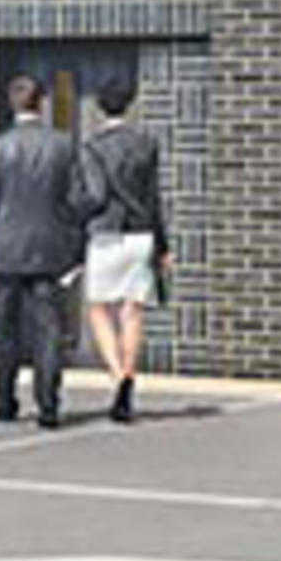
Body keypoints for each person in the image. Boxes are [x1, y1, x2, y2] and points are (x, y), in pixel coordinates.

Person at [0, 75, 87, 427]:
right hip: (50, 250)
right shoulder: (64, 146)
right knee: (48, 330)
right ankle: (48, 405)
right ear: (41, 103)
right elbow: (78, 200)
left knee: (4, 331)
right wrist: (74, 246)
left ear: (12, 103)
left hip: (5, 250)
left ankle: (5, 402)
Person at [73, 75, 171, 425]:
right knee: (133, 311)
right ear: (129, 103)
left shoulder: (92, 147)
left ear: (101, 106)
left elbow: (94, 197)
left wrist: (75, 211)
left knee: (99, 309)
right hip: (141, 233)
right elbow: (154, 198)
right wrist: (163, 246)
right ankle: (130, 374)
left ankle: (118, 375)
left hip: (105, 235)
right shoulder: (146, 143)